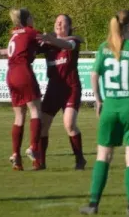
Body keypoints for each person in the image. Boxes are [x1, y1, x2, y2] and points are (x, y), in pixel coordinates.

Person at [80, 10, 129, 216]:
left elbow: (94, 74)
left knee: (103, 155)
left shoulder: (104, 48)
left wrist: (97, 99)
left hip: (110, 107)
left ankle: (93, 204)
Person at [0, 8, 69, 171]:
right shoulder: (30, 31)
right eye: (32, 17)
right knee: (35, 111)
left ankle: (16, 156)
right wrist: (53, 37)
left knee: (19, 116)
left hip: (10, 73)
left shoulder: (15, 34)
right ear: (28, 19)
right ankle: (33, 147)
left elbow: (29, 48)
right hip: (23, 71)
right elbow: (47, 40)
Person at [38, 14, 87, 170]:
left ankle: (80, 160)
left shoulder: (74, 41)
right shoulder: (48, 45)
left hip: (71, 88)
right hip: (53, 89)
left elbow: (66, 45)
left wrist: (51, 39)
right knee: (42, 126)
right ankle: (40, 162)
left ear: (69, 27)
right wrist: (2, 51)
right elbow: (24, 48)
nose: (59, 24)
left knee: (69, 124)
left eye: (63, 23)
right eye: (57, 22)